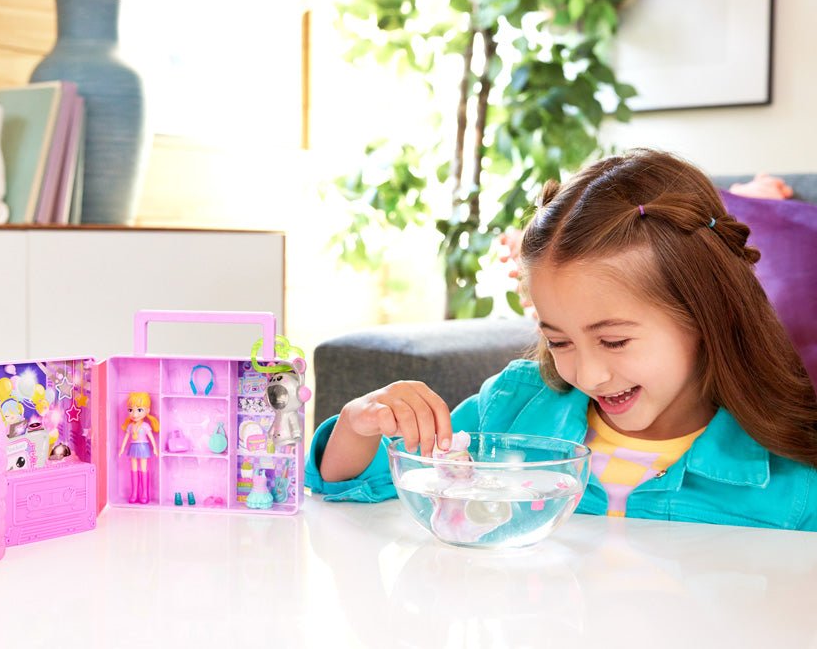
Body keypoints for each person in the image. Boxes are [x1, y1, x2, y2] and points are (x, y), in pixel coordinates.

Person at [307, 149, 817, 530]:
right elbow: (351, 486)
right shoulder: (511, 409)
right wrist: (360, 424)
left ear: (707, 316)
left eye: (614, 342)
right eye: (559, 341)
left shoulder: (791, 476)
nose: (588, 375)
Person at [118, 392, 159, 504]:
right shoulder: (130, 426)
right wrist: (122, 448)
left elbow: (151, 438)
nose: (135, 414)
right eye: (131, 410)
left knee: (143, 469)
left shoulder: (145, 426)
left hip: (143, 447)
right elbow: (126, 437)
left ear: (147, 411)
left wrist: (155, 448)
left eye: (139, 410)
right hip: (133, 447)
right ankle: (134, 493)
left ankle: (145, 493)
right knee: (134, 469)